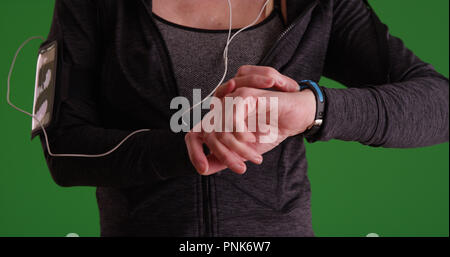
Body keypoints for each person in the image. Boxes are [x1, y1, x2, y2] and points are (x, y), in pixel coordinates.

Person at [39, 0, 448, 236]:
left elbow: (439, 105)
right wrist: (185, 147)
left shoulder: (318, 5)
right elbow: (62, 149)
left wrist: (313, 108)